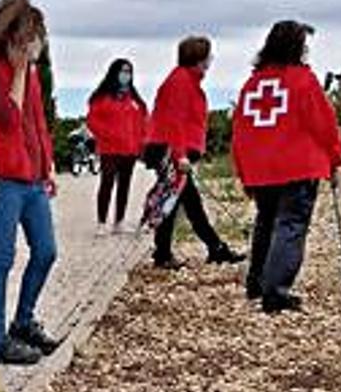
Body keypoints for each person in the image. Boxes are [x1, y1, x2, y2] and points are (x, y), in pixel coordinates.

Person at [0, 0, 60, 365]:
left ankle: (23, 319)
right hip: (4, 179)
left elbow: (37, 121)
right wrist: (20, 72)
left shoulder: (33, 75)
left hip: (32, 179)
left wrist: (48, 165)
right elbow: (8, 117)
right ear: (8, 37)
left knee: (46, 251)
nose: (30, 48)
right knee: (2, 259)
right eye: (25, 40)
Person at [231, 20, 341, 313]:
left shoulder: (251, 84)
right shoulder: (303, 80)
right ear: (297, 46)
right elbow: (324, 125)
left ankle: (256, 282)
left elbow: (239, 132)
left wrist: (244, 172)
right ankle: (276, 291)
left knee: (265, 222)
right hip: (299, 166)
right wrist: (335, 158)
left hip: (260, 169)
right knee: (291, 225)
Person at [144, 36, 244, 270]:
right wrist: (179, 155)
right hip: (173, 151)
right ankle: (177, 252)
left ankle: (210, 248)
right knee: (180, 201)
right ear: (199, 58)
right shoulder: (180, 81)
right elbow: (175, 122)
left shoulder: (185, 80)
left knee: (185, 201)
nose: (210, 60)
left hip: (175, 150)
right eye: (208, 56)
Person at [86, 58, 148, 235]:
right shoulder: (102, 97)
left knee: (124, 185)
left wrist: (142, 142)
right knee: (107, 183)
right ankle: (101, 222)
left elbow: (144, 121)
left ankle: (119, 222)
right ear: (114, 72)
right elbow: (92, 121)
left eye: (129, 71)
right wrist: (108, 135)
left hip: (130, 150)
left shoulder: (135, 99)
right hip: (109, 149)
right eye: (123, 71)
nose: (126, 75)